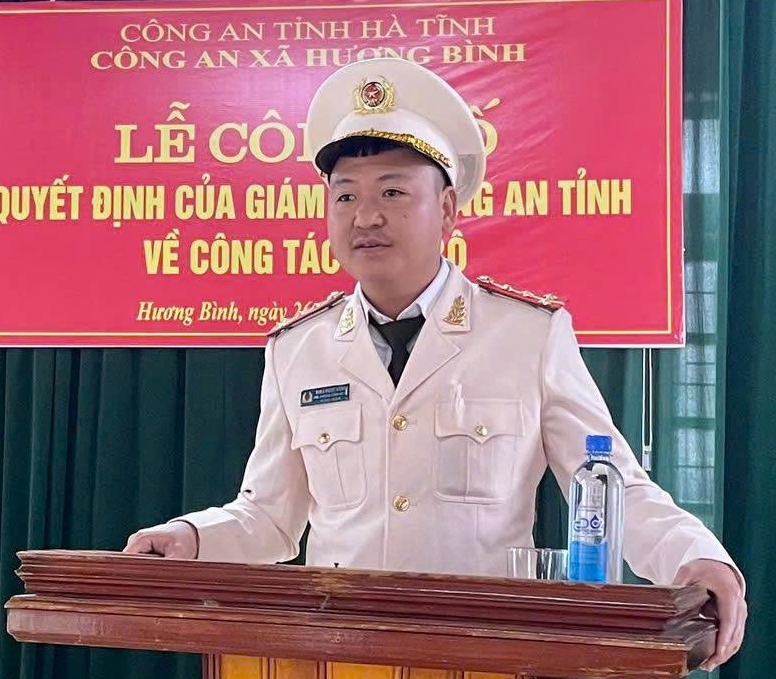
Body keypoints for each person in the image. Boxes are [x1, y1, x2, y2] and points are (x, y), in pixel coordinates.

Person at [123, 58, 746, 671]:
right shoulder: (298, 348)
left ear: (447, 209)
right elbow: (269, 516)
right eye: (346, 196)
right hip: (342, 657)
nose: (366, 216)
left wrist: (694, 556)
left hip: (486, 654)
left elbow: (612, 485)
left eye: (393, 192)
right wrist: (192, 538)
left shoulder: (526, 336)